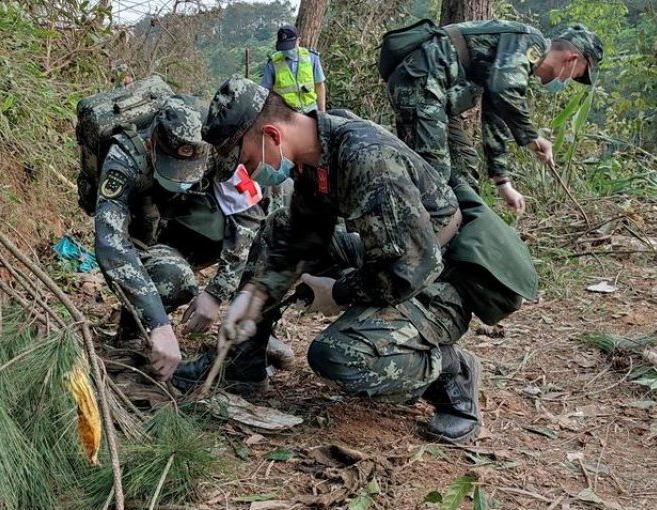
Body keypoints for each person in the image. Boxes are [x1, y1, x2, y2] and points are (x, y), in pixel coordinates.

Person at [173, 77, 538, 444]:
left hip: (441, 279)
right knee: (278, 229)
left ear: (271, 135)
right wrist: (254, 296)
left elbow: (409, 271)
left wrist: (339, 292)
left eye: (246, 159)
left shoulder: (365, 158)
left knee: (339, 356)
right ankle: (243, 364)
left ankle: (451, 372)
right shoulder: (316, 153)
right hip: (393, 254)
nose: (248, 172)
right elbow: (302, 236)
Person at [95, 94, 281, 383]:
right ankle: (133, 333)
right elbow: (111, 242)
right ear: (151, 144)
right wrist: (159, 323)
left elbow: (248, 218)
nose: (180, 178)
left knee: (270, 232)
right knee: (173, 277)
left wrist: (216, 293)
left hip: (182, 223)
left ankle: (249, 344)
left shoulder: (218, 148)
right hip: (140, 232)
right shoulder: (124, 157)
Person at [383, 22, 603, 213]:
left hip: (434, 92)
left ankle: (466, 241)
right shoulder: (530, 41)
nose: (570, 80)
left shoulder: (518, 63)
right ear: (572, 59)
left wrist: (503, 182)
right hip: (421, 81)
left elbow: (495, 113)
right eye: (578, 75)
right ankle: (414, 245)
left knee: (464, 166)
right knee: (434, 176)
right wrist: (532, 138)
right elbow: (503, 89)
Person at [261, 23, 327, 113]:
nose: (287, 50)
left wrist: (322, 112)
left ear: (298, 41)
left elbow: (319, 84)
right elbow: (265, 91)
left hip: (311, 111)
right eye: (284, 47)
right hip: (286, 115)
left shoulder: (311, 57)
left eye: (289, 46)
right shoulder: (273, 63)